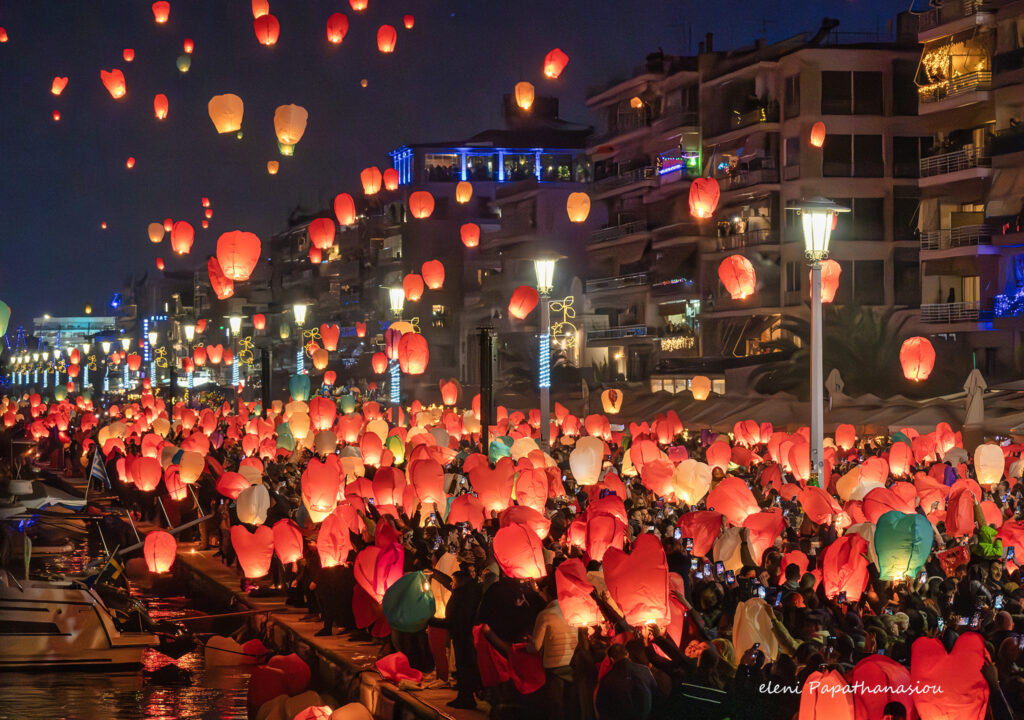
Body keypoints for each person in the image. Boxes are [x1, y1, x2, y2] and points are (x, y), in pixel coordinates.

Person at [594, 642, 662, 720]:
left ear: (611, 660)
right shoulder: (645, 670)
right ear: (627, 654)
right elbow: (656, 693)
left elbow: (601, 707)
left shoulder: (606, 680)